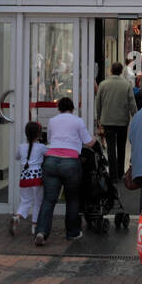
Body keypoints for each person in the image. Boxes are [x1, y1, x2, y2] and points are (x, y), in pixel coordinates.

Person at [35, 97, 98, 246]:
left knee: (49, 200)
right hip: (70, 163)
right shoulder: (78, 121)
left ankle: (41, 232)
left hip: (50, 161)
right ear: (72, 108)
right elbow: (88, 142)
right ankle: (72, 233)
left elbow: (50, 139)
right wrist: (96, 140)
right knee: (72, 198)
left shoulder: (52, 121)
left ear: (59, 108)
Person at [95, 61, 136, 182]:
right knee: (121, 147)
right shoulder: (126, 85)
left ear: (111, 71)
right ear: (121, 71)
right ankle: (120, 172)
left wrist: (99, 118)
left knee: (111, 147)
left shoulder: (103, 84)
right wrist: (135, 117)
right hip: (122, 121)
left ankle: (113, 175)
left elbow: (98, 103)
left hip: (107, 120)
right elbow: (132, 104)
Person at [11, 121, 47, 237]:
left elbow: (17, 157)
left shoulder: (21, 147)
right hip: (37, 179)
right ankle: (34, 226)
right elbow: (49, 154)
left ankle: (17, 217)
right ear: (39, 134)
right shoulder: (41, 147)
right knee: (37, 203)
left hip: (24, 178)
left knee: (25, 201)